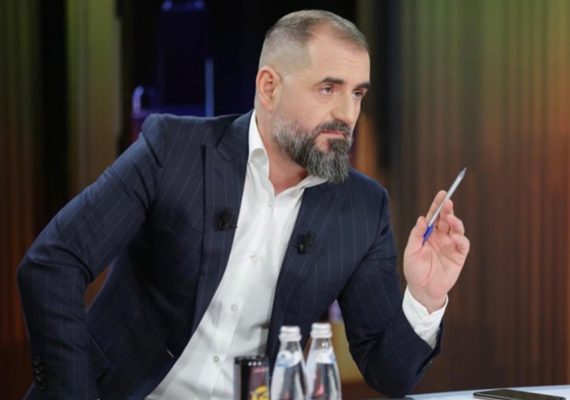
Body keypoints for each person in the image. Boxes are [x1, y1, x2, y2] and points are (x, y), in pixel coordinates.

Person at [17, 9, 470, 400]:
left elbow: (388, 373)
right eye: (328, 89)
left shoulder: (362, 207)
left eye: (357, 93)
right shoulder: (173, 151)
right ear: (269, 87)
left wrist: (425, 297)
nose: (348, 114)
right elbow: (53, 262)